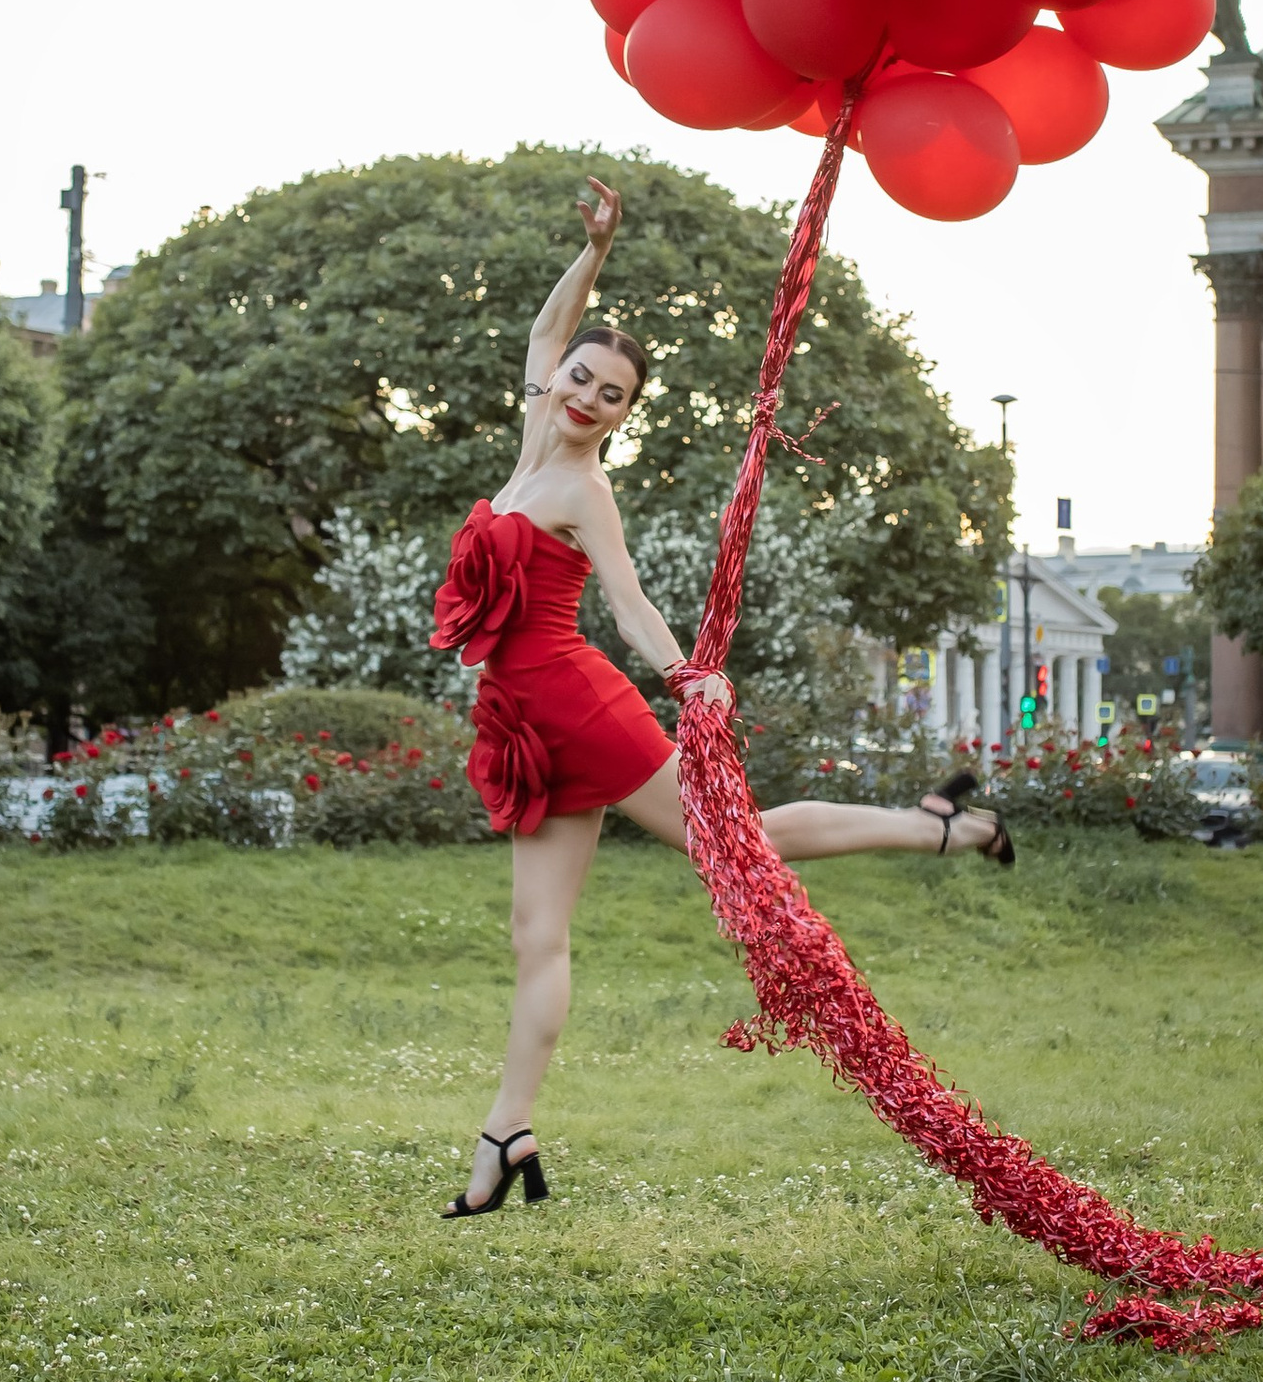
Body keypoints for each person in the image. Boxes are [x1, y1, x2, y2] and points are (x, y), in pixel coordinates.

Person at [432, 175, 1010, 1219]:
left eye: (612, 396)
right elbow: (543, 326)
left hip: (579, 705)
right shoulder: (529, 444)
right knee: (537, 935)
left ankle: (942, 832)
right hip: (521, 720)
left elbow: (629, 600)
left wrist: (687, 677)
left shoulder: (584, 490)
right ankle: (506, 1133)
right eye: (581, 379)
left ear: (622, 417)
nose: (587, 397)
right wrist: (597, 253)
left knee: (731, 842)